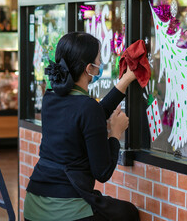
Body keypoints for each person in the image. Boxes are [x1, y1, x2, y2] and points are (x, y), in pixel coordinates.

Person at [24, 32, 140, 221]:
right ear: (89, 68)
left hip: (33, 207)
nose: (101, 64)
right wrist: (115, 134)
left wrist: (125, 80)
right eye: (99, 60)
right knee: (129, 214)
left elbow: (89, 114)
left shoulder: (50, 98)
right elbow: (102, 173)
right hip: (65, 209)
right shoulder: (86, 108)